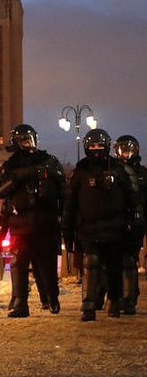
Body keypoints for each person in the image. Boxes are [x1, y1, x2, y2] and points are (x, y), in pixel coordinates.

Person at [63, 129, 144, 321]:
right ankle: (89, 303)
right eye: (92, 146)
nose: (96, 149)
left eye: (100, 145)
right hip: (88, 228)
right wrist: (67, 229)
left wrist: (135, 220)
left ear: (107, 147)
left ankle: (115, 300)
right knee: (90, 262)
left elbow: (133, 197)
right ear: (86, 147)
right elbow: (70, 203)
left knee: (114, 266)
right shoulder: (81, 170)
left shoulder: (119, 169)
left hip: (115, 228)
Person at [0, 124, 67, 317]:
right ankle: (20, 304)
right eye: (25, 140)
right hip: (20, 224)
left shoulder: (49, 162)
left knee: (47, 264)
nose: (29, 144)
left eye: (31, 139)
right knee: (18, 263)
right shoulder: (10, 166)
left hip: (45, 222)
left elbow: (63, 190)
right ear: (17, 143)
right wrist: (18, 177)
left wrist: (62, 218)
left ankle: (52, 297)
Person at [113, 135, 146, 314]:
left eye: (129, 150)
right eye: (122, 150)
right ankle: (117, 296)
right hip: (115, 221)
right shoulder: (113, 171)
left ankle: (129, 299)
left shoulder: (142, 173)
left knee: (129, 260)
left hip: (135, 223)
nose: (125, 154)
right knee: (113, 261)